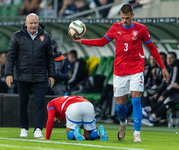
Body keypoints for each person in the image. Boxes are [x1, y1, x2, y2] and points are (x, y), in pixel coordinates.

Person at [69, 4, 169, 142]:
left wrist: (163, 67)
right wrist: (82, 41)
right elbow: (102, 42)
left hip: (136, 69)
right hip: (120, 71)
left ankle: (137, 134)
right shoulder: (116, 27)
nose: (125, 21)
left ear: (133, 16)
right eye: (122, 18)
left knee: (135, 100)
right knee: (120, 107)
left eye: (127, 18)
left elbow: (151, 47)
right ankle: (123, 123)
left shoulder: (141, 29)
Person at [5, 13, 55, 138]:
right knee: (22, 103)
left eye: (35, 23)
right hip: (22, 76)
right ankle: (24, 128)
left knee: (40, 103)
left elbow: (50, 58)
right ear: (26, 23)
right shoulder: (17, 36)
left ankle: (38, 129)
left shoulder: (46, 36)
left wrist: (52, 75)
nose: (33, 25)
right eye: (31, 23)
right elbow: (10, 57)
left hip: (40, 76)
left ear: (39, 23)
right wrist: (8, 74)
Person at [142, 52, 179, 126]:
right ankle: (152, 115)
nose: (169, 60)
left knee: (167, 99)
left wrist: (163, 93)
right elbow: (166, 84)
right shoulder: (169, 68)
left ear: (175, 58)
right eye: (168, 58)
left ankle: (151, 114)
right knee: (161, 98)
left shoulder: (175, 67)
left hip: (174, 93)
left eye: (171, 58)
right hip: (173, 93)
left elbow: (172, 84)